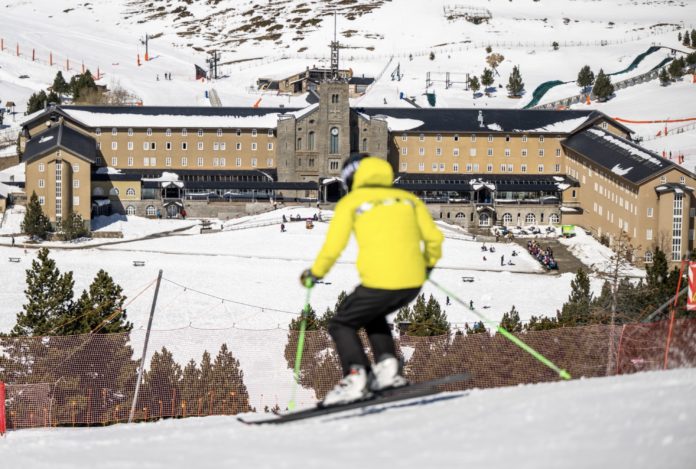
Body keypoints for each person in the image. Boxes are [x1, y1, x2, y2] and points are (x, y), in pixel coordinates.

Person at [300, 155, 443, 406]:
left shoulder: (352, 202)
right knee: (372, 315)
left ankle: (356, 377)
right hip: (412, 284)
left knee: (341, 323)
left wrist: (315, 273)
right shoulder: (408, 200)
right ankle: (387, 370)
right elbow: (434, 239)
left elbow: (334, 247)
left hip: (380, 282)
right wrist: (426, 267)